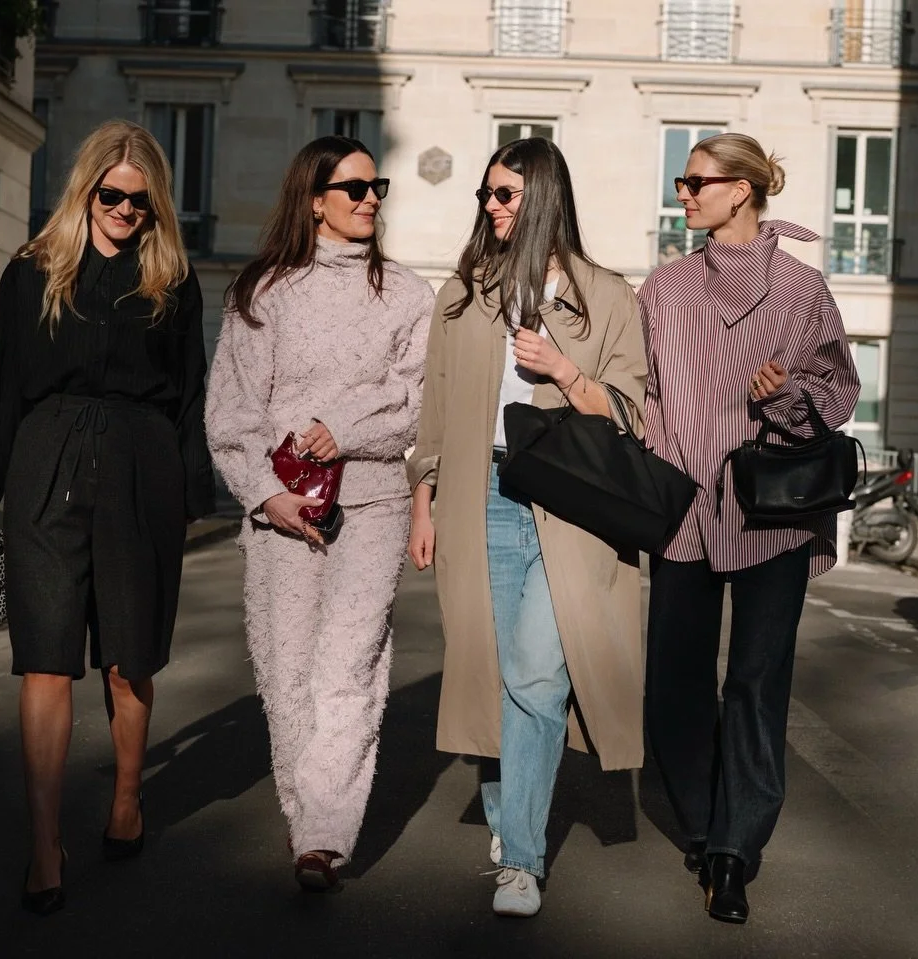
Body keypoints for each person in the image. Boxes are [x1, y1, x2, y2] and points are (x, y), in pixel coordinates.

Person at [0, 119, 214, 916]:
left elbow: (192, 392)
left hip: (143, 468)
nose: (126, 211)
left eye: (141, 202)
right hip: (45, 464)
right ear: (86, 191)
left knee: (128, 656)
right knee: (44, 657)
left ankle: (127, 798)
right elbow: (4, 385)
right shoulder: (31, 273)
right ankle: (44, 843)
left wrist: (192, 494)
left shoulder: (172, 280)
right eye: (112, 196)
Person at [406, 137, 649, 918]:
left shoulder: (606, 295)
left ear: (543, 195)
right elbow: (437, 405)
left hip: (571, 507)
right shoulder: (464, 293)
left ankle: (520, 858)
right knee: (495, 670)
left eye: (504, 193)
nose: (490, 205)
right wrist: (424, 499)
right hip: (481, 494)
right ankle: (510, 811)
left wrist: (564, 370)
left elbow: (632, 414)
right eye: (485, 193)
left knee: (539, 674)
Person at [638, 132, 861, 924]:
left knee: (758, 684)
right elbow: (646, 397)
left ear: (740, 189)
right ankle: (703, 824)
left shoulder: (802, 289)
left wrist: (788, 393)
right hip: (684, 510)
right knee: (674, 682)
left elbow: (839, 389)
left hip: (773, 512)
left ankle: (734, 850)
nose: (684, 191)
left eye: (696, 180)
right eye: (682, 180)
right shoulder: (663, 289)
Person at [206, 136, 433, 891]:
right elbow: (231, 411)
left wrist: (345, 428)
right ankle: (306, 813)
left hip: (373, 502)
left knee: (350, 665)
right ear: (313, 200)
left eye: (377, 187)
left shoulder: (408, 295)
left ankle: (324, 836)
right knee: (287, 670)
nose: (370, 199)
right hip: (279, 508)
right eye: (354, 188)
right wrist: (264, 495)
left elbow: (415, 402)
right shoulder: (262, 292)